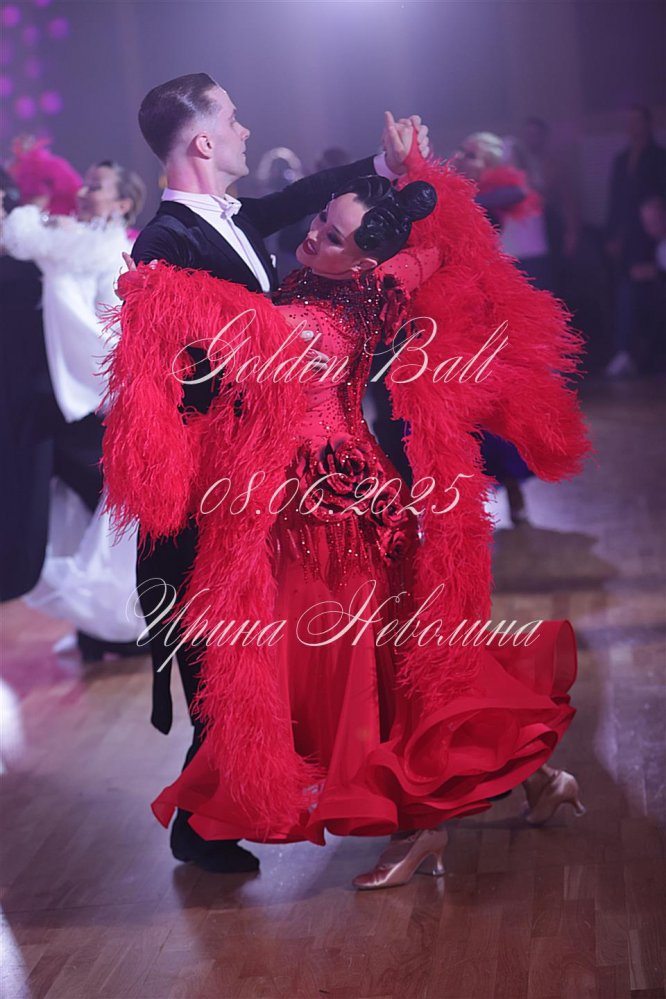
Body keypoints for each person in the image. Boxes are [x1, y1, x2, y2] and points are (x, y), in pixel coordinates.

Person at [105, 132, 590, 889]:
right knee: (395, 667)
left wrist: (153, 287)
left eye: (333, 236)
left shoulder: (321, 321)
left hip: (336, 517)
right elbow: (426, 252)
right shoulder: (364, 280)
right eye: (321, 221)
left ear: (361, 262)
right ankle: (536, 781)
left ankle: (421, 824)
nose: (313, 236)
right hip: (331, 507)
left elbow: (238, 324)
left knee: (362, 675)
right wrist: (403, 174)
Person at [124, 72, 431, 876]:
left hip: (280, 480)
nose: (245, 129)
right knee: (222, 658)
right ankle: (207, 820)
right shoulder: (164, 244)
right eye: (232, 119)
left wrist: (384, 165)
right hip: (212, 482)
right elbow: (181, 373)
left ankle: (217, 814)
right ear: (202, 140)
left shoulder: (231, 219)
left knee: (265, 652)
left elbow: (304, 197)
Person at [2, 158, 146, 659]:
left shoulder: (110, 252)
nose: (83, 192)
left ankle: (123, 625)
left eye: (96, 186)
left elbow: (107, 333)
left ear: (122, 203)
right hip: (65, 402)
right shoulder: (75, 242)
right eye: (84, 183)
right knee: (83, 511)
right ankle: (100, 626)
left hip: (96, 402)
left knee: (109, 511)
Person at [604, 105, 666, 377]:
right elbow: (616, 200)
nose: (633, 127)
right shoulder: (621, 159)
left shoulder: (659, 157)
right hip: (628, 234)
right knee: (626, 288)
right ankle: (626, 352)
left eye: (638, 121)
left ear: (648, 124)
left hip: (652, 232)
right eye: (629, 122)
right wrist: (612, 235)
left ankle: (651, 354)